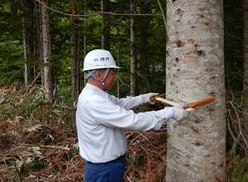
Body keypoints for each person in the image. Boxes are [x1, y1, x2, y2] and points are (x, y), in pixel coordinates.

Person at [76, 49, 188, 182]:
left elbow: (119, 104)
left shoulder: (95, 94)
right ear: (100, 74)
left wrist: (145, 98)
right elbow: (133, 120)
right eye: (111, 73)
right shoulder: (94, 101)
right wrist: (170, 112)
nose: (113, 77)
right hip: (104, 170)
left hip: (107, 167)